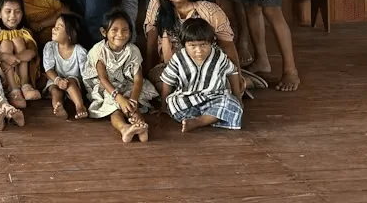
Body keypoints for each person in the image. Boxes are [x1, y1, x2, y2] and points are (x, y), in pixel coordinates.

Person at [143, 0, 241, 88]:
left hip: (208, 66)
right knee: (163, 85)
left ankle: (246, 81)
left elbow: (227, 45)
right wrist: (149, 73)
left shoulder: (209, 10)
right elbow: (151, 43)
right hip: (173, 67)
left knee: (222, 85)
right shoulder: (156, 5)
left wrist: (238, 76)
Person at [82, 10, 158, 143]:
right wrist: (119, 98)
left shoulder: (133, 50)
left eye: (125, 30)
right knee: (116, 107)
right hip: (106, 87)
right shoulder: (99, 50)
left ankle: (140, 126)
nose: (120, 34)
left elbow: (138, 78)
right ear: (104, 32)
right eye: (114, 30)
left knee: (133, 106)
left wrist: (133, 100)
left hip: (127, 83)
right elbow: (102, 78)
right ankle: (124, 128)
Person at [160, 18, 244, 132]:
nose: (198, 50)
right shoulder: (178, 59)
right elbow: (168, 81)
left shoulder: (219, 56)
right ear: (184, 44)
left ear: (211, 42)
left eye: (203, 44)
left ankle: (199, 121)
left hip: (215, 97)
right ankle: (211, 118)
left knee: (232, 104)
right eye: (192, 46)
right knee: (173, 103)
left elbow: (232, 72)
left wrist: (238, 97)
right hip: (187, 98)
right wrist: (163, 107)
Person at [0, 0, 41, 108]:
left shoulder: (26, 31)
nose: (13, 16)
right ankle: (13, 90)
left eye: (17, 11)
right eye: (8, 11)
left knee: (18, 40)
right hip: (3, 72)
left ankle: (25, 86)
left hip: (21, 70)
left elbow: (32, 52)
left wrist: (14, 59)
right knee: (6, 44)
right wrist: (5, 57)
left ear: (22, 13)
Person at [43, 14, 88, 119]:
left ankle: (79, 106)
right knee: (55, 91)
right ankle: (59, 107)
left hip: (73, 81)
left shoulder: (79, 51)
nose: (54, 28)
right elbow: (48, 69)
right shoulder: (50, 47)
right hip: (55, 78)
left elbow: (85, 74)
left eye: (59, 27)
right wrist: (58, 81)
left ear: (70, 34)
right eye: (55, 25)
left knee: (70, 82)